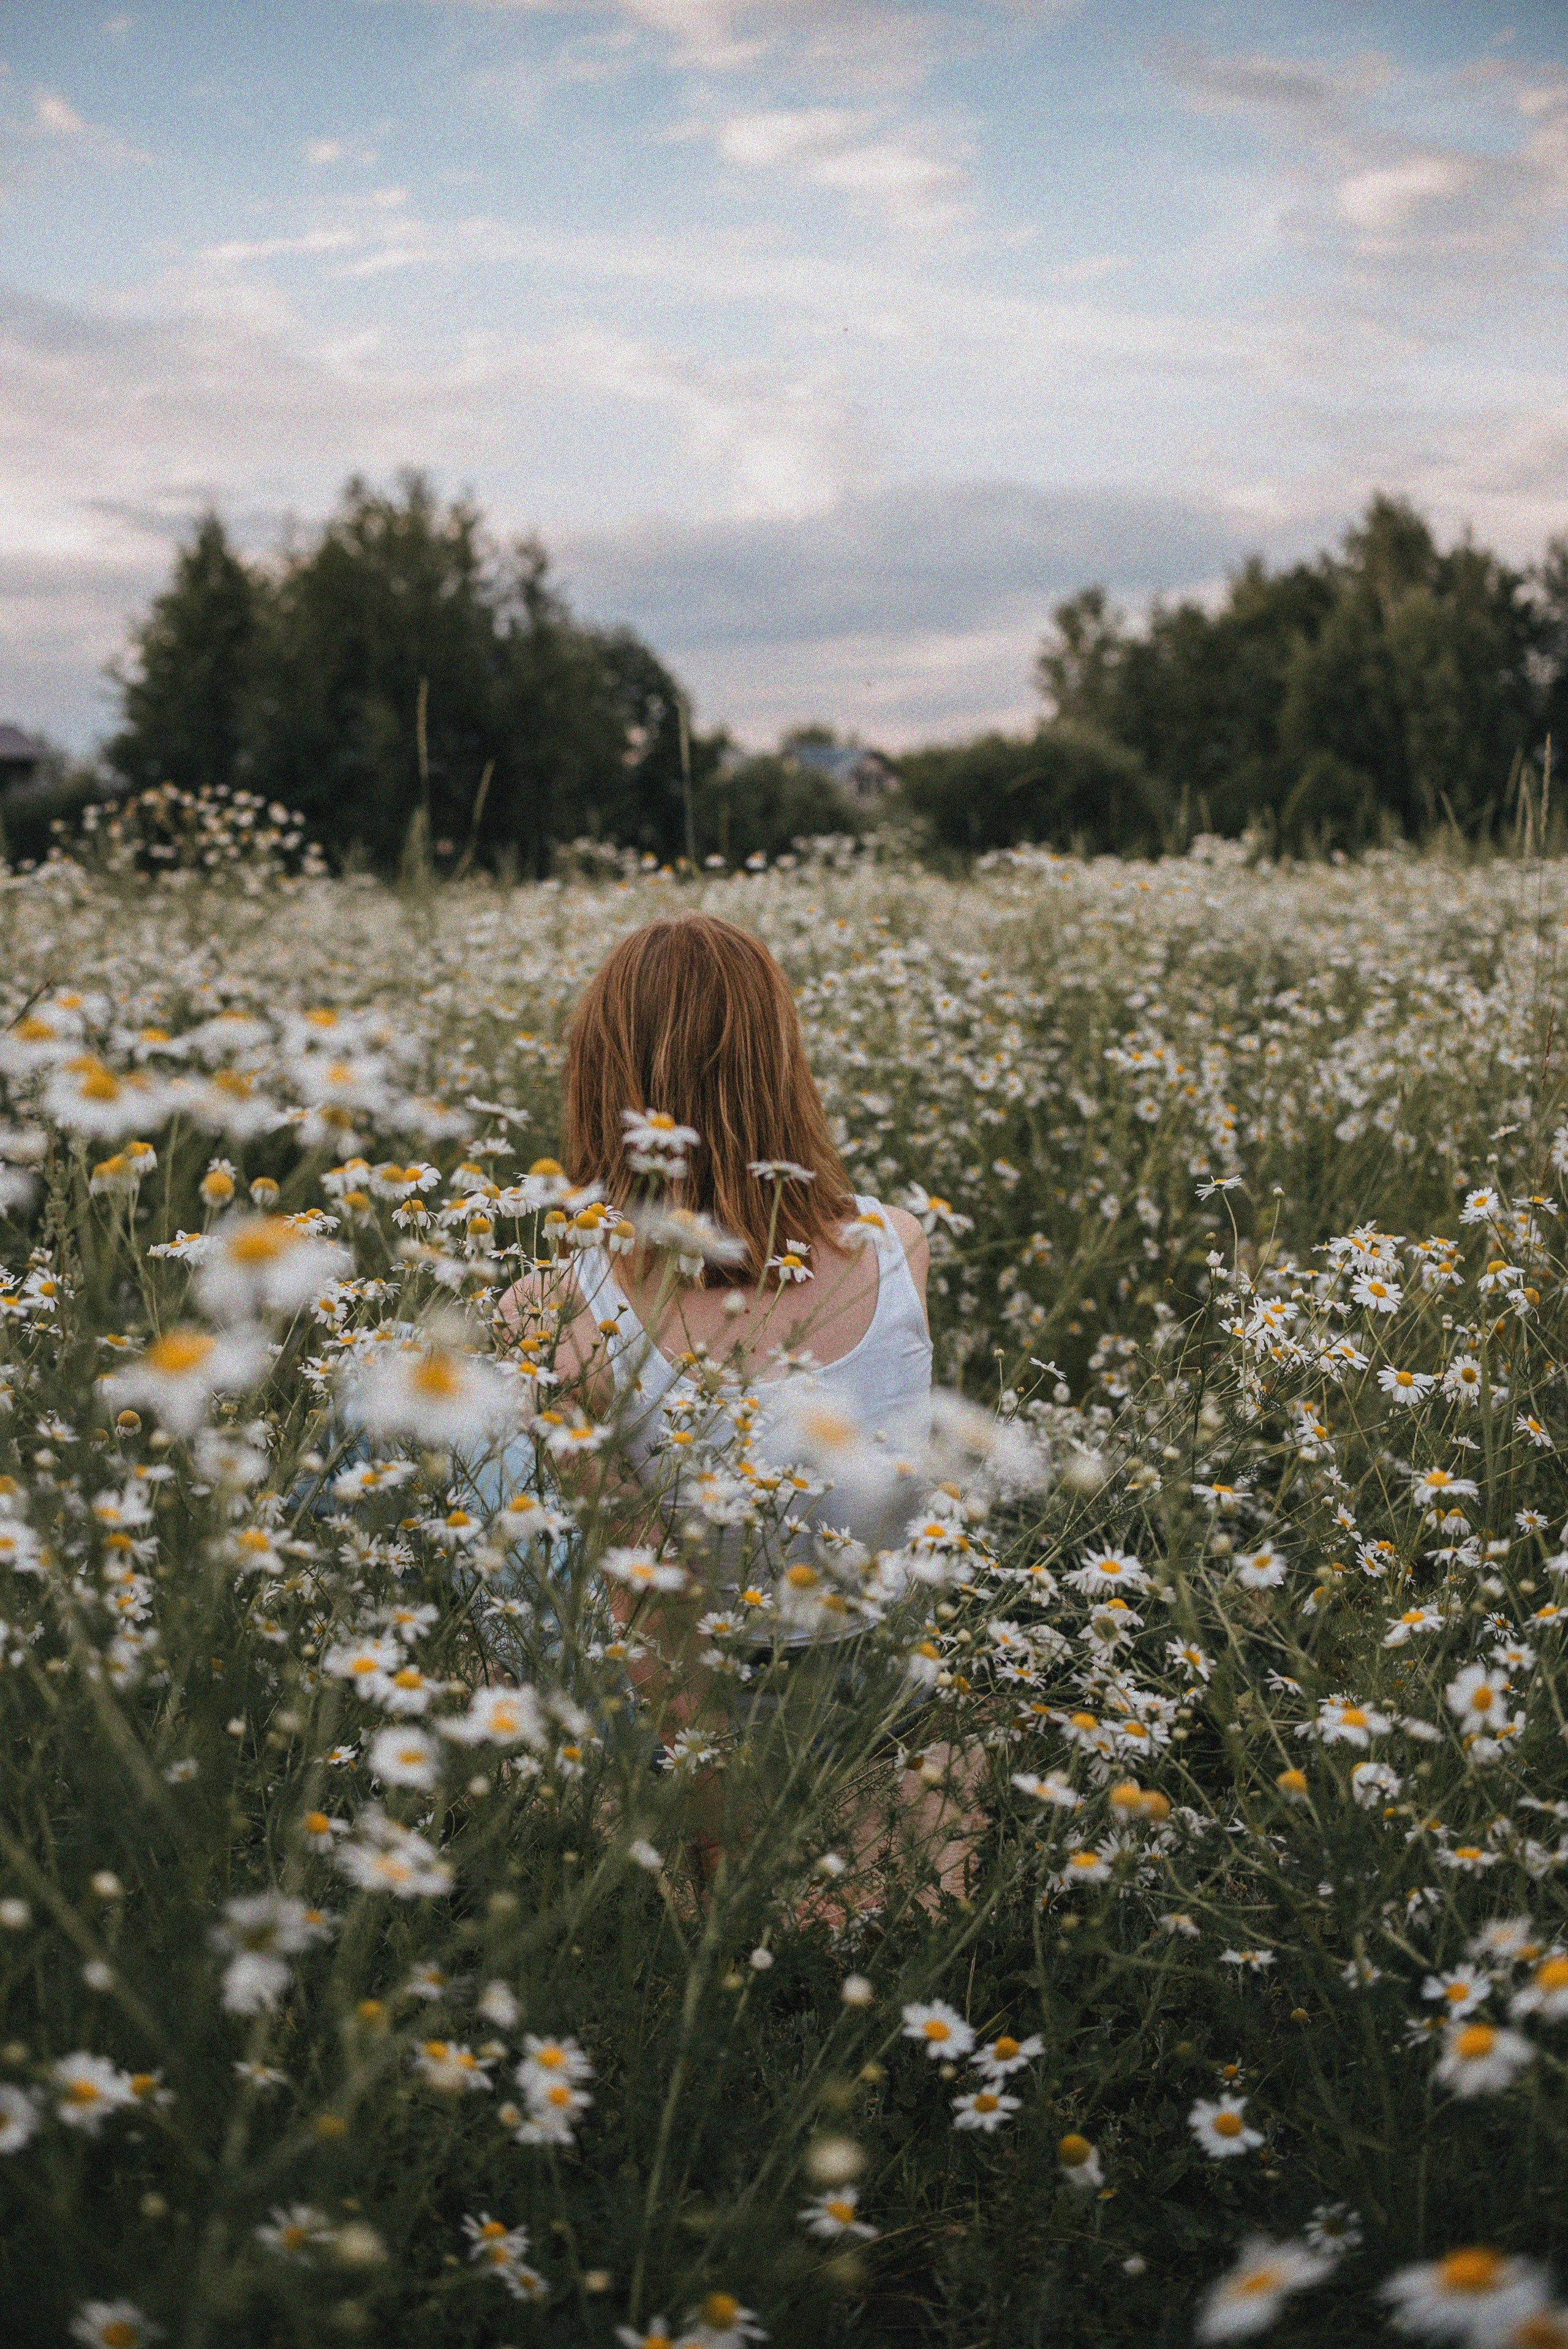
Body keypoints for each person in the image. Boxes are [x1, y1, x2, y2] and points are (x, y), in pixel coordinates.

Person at [497, 912, 976, 1901]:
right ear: (784, 1064)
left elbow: (652, 1617)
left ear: (601, 1080)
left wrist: (725, 1840)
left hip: (694, 1718)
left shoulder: (556, 1308)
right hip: (881, 1693)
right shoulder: (899, 1244)